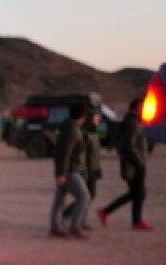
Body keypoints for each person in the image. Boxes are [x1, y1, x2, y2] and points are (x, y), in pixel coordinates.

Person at [99, 99, 153, 230]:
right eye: (142, 107)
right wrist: (139, 161)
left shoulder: (137, 122)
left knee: (137, 193)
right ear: (134, 108)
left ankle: (106, 212)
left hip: (138, 162)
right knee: (138, 193)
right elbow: (129, 145)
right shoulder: (131, 123)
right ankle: (136, 221)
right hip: (133, 164)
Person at [49, 102, 90, 238]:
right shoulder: (72, 130)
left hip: (65, 169)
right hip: (70, 170)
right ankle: (75, 227)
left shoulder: (67, 127)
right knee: (83, 196)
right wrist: (61, 173)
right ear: (83, 116)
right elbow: (65, 152)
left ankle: (55, 226)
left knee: (60, 197)